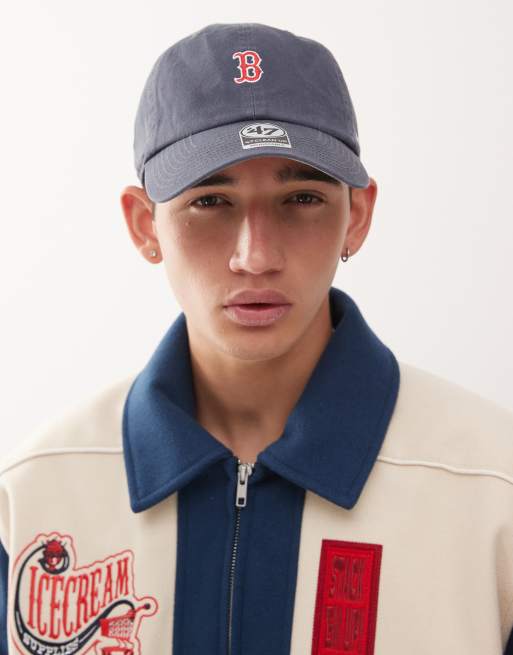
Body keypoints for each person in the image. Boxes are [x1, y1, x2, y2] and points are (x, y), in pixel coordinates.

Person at [1, 21, 513, 655]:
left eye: (301, 198)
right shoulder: (31, 496)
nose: (256, 256)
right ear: (144, 225)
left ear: (357, 215)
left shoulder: (493, 489)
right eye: (210, 202)